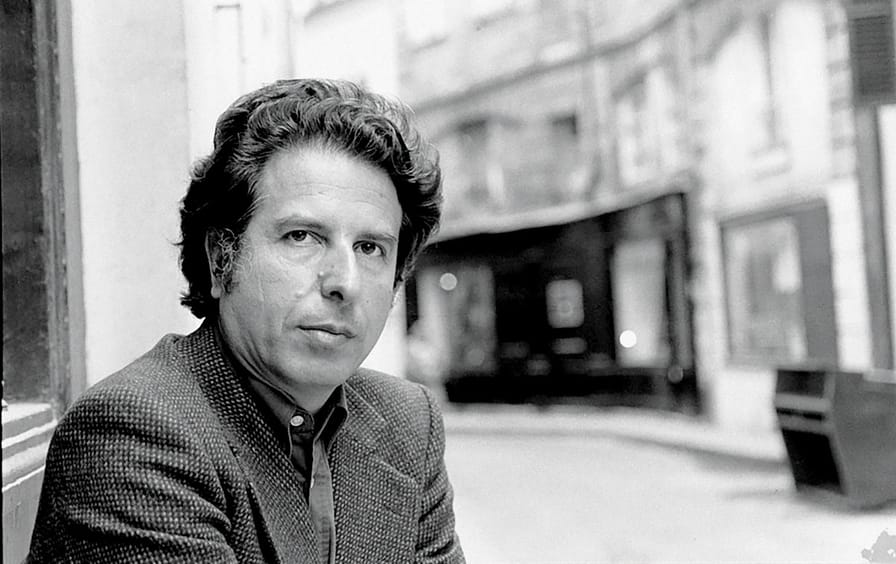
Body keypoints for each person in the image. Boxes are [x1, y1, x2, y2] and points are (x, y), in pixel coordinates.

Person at [27, 79, 465, 564]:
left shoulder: (407, 421)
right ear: (221, 259)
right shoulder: (133, 431)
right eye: (302, 236)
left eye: (370, 248)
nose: (345, 281)